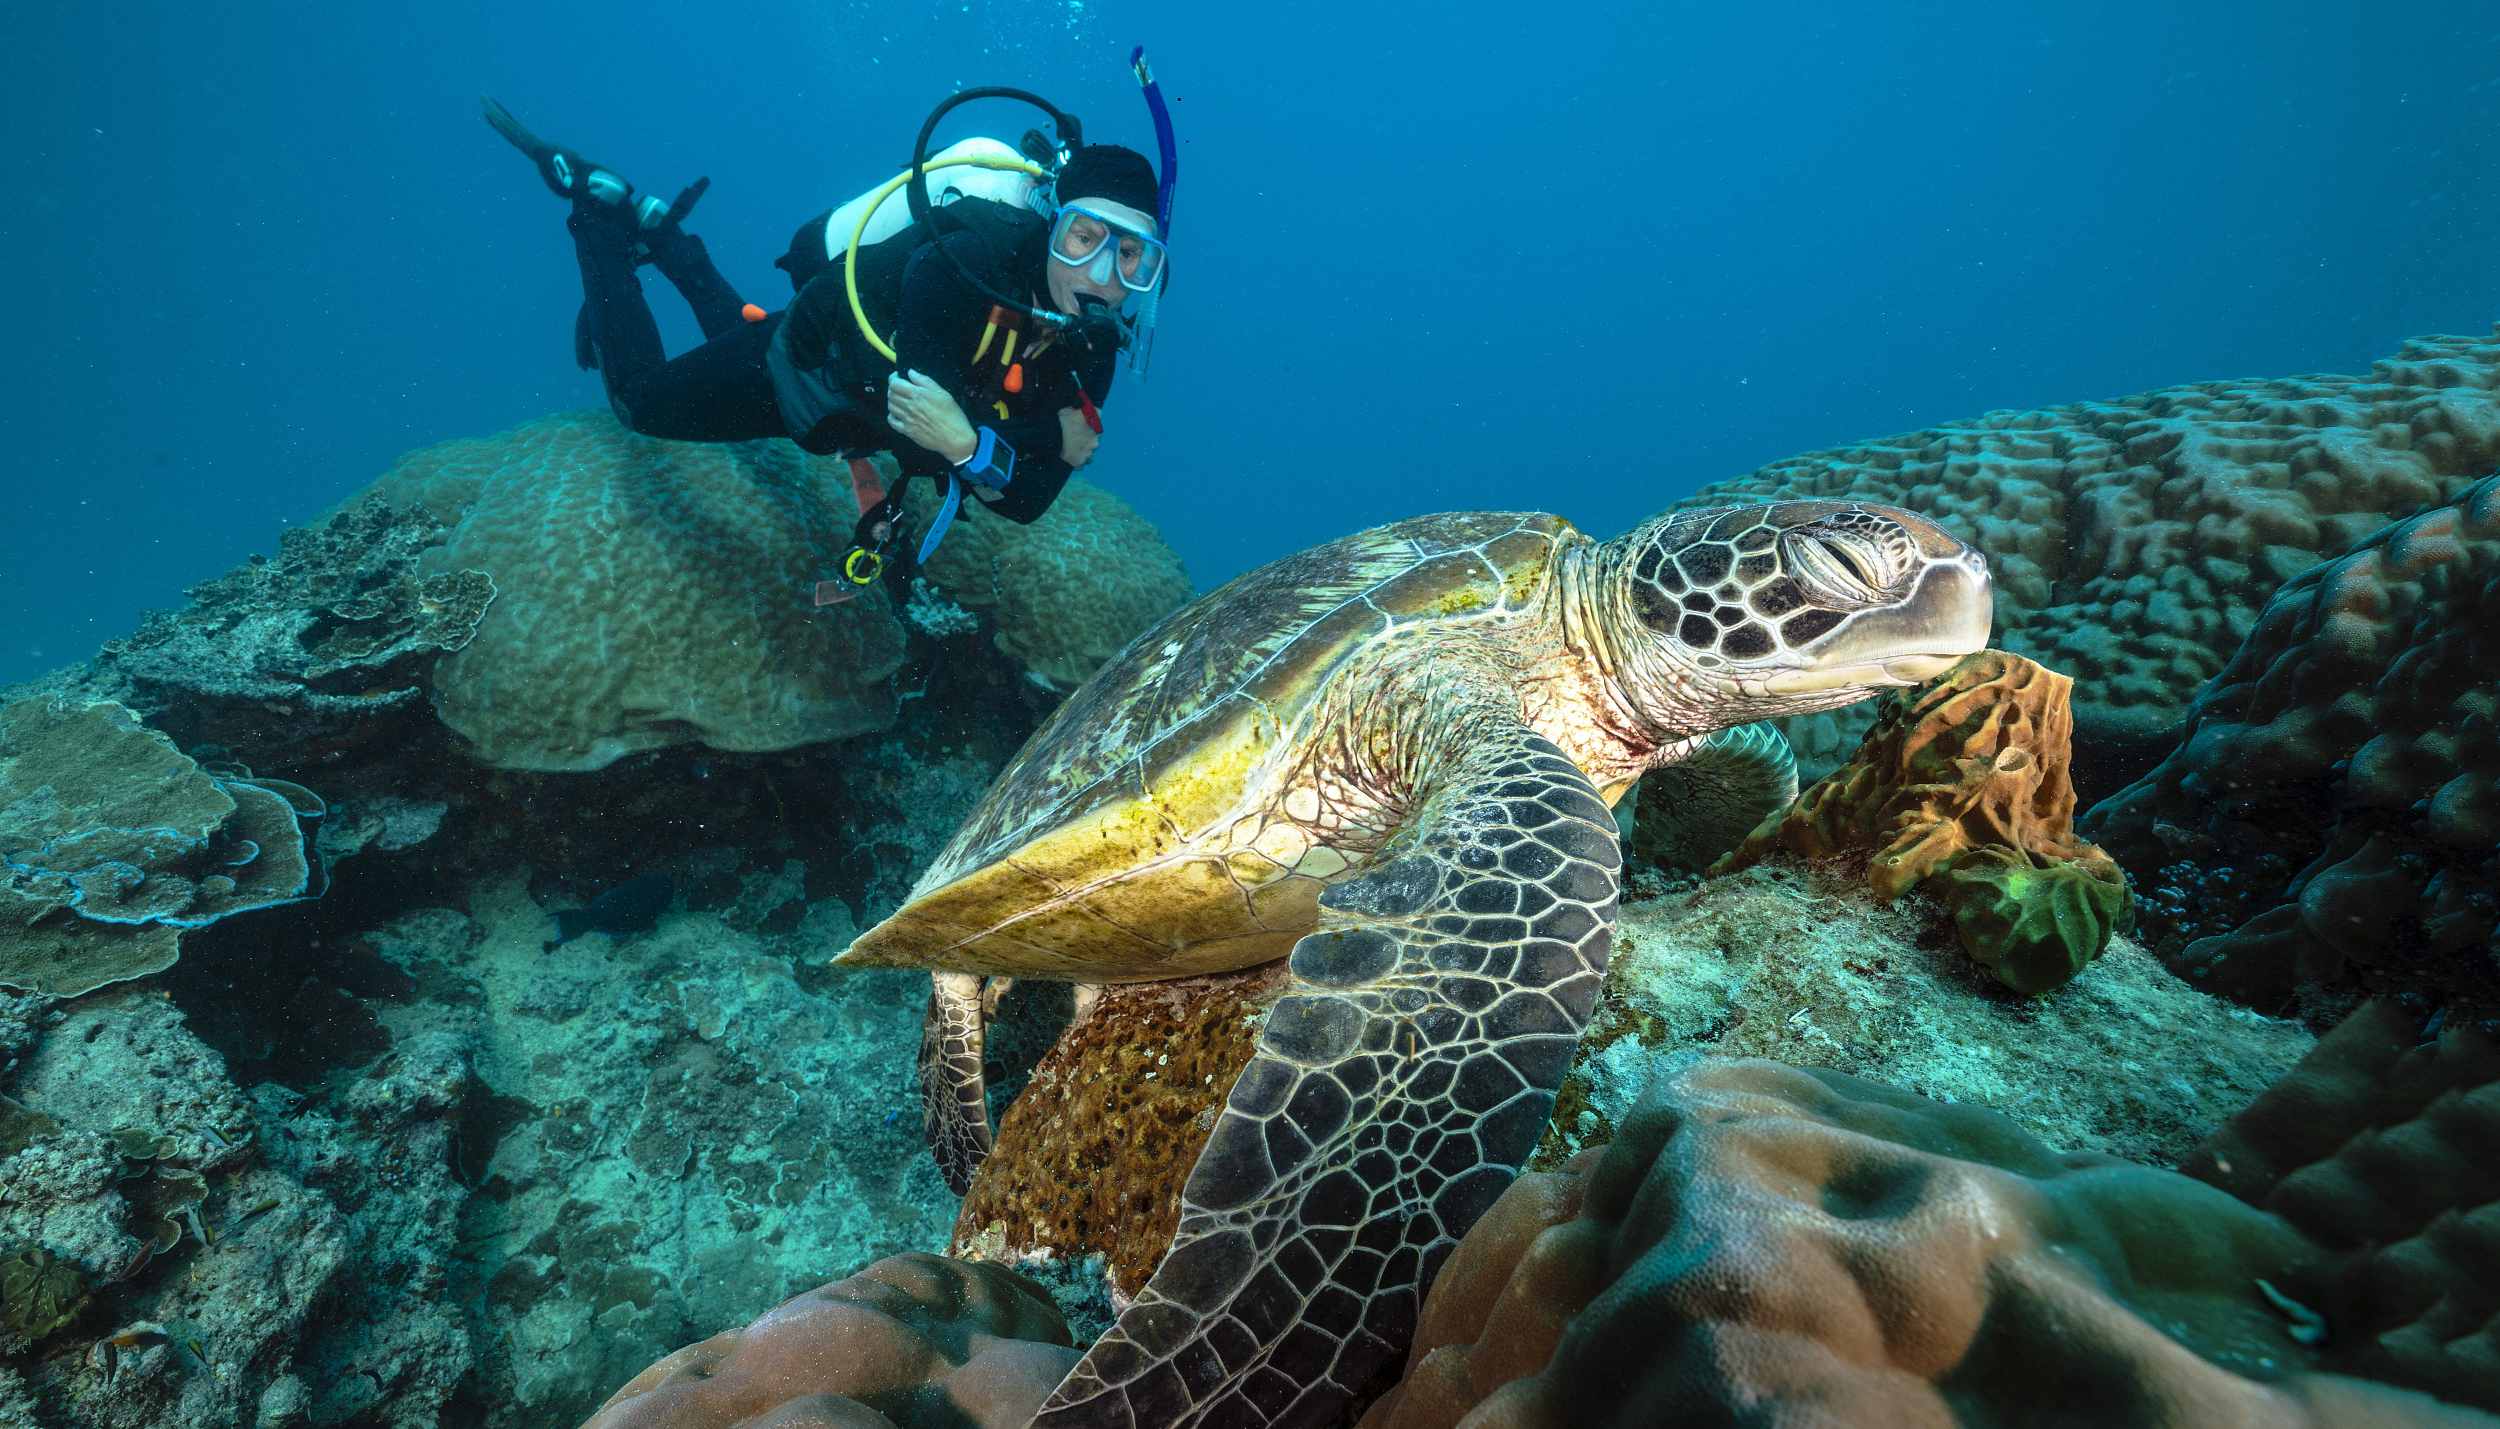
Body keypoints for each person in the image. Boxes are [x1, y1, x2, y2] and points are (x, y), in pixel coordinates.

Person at [483, 84, 1172, 590]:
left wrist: (971, 442)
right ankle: (596, 214)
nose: (1101, 274)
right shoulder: (964, 262)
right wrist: (1041, 436)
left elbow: (1027, 504)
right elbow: (918, 430)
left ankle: (662, 232)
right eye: (1083, 237)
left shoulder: (1092, 350)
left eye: (1130, 255)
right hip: (804, 373)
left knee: (735, 334)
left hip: (844, 406)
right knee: (639, 402)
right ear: (1053, 224)